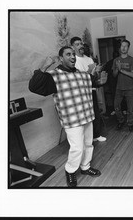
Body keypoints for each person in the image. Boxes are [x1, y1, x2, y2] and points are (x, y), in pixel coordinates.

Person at [29, 46, 105, 187]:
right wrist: (44, 66)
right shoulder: (54, 76)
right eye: (68, 54)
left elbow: (93, 82)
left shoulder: (82, 74)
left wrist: (101, 81)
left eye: (73, 54)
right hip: (72, 119)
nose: (72, 57)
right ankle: (70, 171)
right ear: (61, 58)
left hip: (87, 116)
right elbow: (33, 86)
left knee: (88, 144)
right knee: (77, 148)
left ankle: (85, 167)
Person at [70, 36, 107, 142]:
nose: (80, 46)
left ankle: (96, 135)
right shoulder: (74, 61)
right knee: (84, 115)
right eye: (77, 44)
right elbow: (76, 77)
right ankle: (86, 138)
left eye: (81, 43)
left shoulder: (89, 59)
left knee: (95, 112)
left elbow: (93, 76)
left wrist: (97, 71)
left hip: (91, 89)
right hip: (80, 93)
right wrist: (89, 72)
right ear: (72, 47)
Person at [112, 39, 133, 132]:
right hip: (119, 88)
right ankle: (121, 121)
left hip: (129, 88)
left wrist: (121, 70)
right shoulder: (116, 60)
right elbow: (114, 75)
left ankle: (130, 123)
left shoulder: (132, 60)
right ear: (120, 48)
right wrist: (116, 69)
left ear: (128, 48)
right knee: (116, 106)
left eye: (125, 46)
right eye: (122, 46)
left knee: (130, 108)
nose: (123, 48)